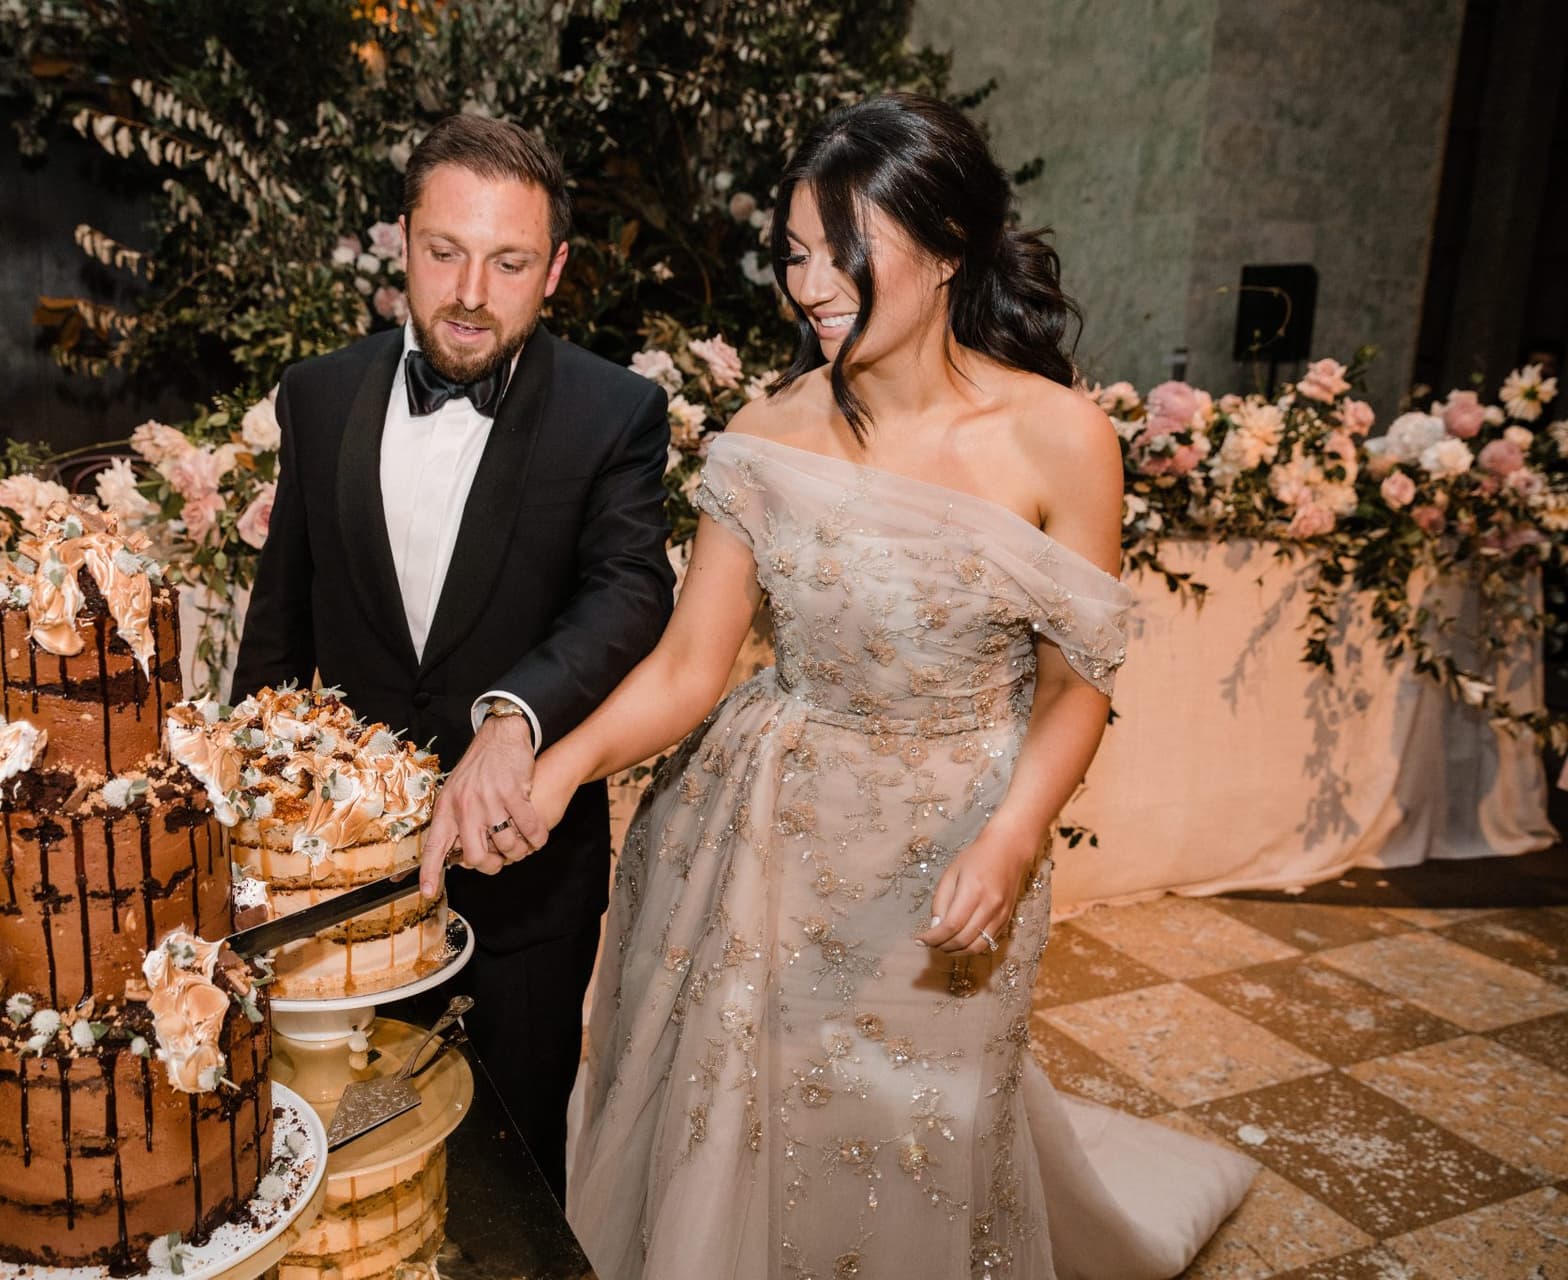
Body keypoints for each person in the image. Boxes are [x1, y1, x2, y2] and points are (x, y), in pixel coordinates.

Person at [524, 95, 1257, 1279]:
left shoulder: (1063, 439)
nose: (810, 284)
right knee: (748, 1122)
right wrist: (561, 764)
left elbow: (1076, 689)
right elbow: (689, 666)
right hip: (763, 837)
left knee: (923, 1124)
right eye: (794, 255)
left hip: (959, 832)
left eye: (843, 250)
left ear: (949, 244)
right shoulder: (766, 434)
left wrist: (1014, 838)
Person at [230, 113, 674, 1200]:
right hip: (326, 896)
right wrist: (234, 825)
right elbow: (281, 618)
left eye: (509, 261)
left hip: (520, 889)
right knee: (321, 1164)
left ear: (555, 271)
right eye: (445, 251)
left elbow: (631, 590)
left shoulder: (614, 412)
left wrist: (516, 713)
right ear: (402, 243)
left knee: (510, 1174)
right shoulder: (320, 392)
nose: (471, 290)